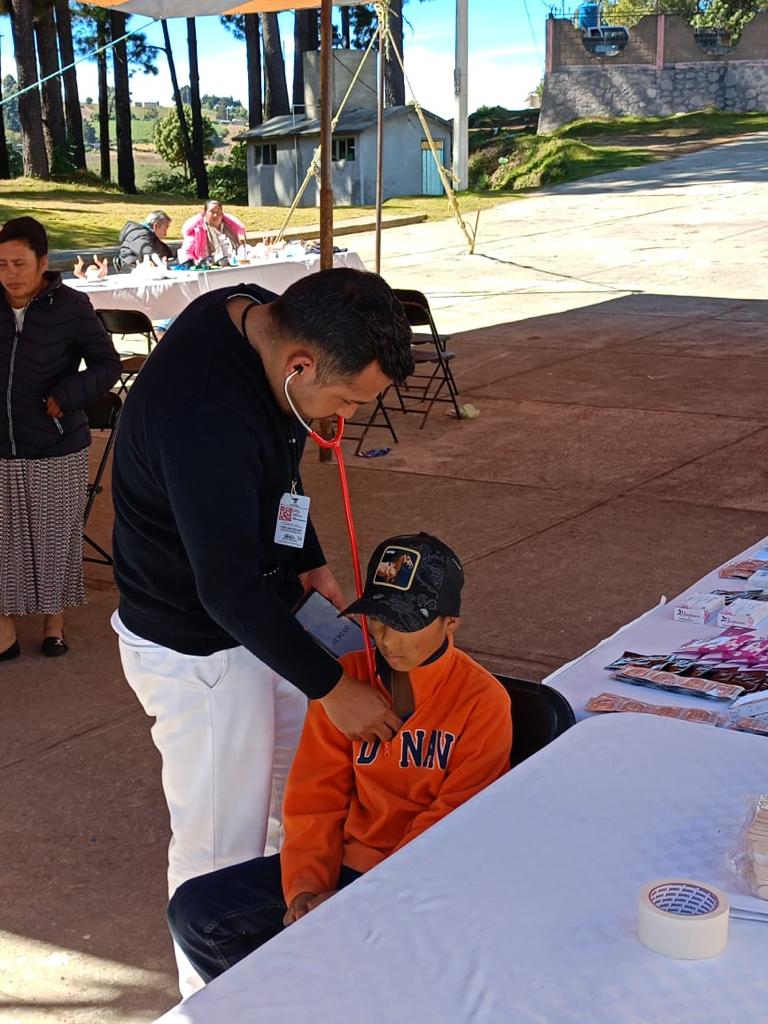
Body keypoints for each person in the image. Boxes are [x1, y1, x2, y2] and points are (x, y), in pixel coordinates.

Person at [110, 267, 414, 994]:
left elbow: (279, 462)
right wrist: (333, 686)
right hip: (201, 650)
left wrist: (309, 562)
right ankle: (207, 1000)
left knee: (295, 814)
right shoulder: (203, 417)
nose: (342, 422)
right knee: (220, 850)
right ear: (301, 364)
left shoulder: (240, 314)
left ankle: (276, 977)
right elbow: (224, 589)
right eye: (344, 400)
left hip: (259, 620)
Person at [167, 533, 512, 981]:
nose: (387, 639)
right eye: (378, 620)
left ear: (451, 623)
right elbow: (316, 797)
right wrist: (306, 890)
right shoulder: (349, 679)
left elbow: (448, 830)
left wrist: (361, 901)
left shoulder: (483, 702)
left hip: (420, 884)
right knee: (195, 913)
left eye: (406, 622)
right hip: (337, 867)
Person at [0, 216, 121, 661]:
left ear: (43, 262)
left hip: (55, 443)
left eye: (19, 262)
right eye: (1, 264)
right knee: (3, 539)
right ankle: (5, 628)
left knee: (53, 536)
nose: (10, 273)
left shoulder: (71, 306)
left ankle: (54, 622)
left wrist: (69, 395)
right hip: (1, 442)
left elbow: (108, 364)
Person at [177, 200, 246, 266]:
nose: (215, 215)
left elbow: (239, 247)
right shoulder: (198, 230)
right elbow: (186, 252)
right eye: (212, 212)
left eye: (218, 212)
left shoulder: (230, 229)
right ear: (205, 213)